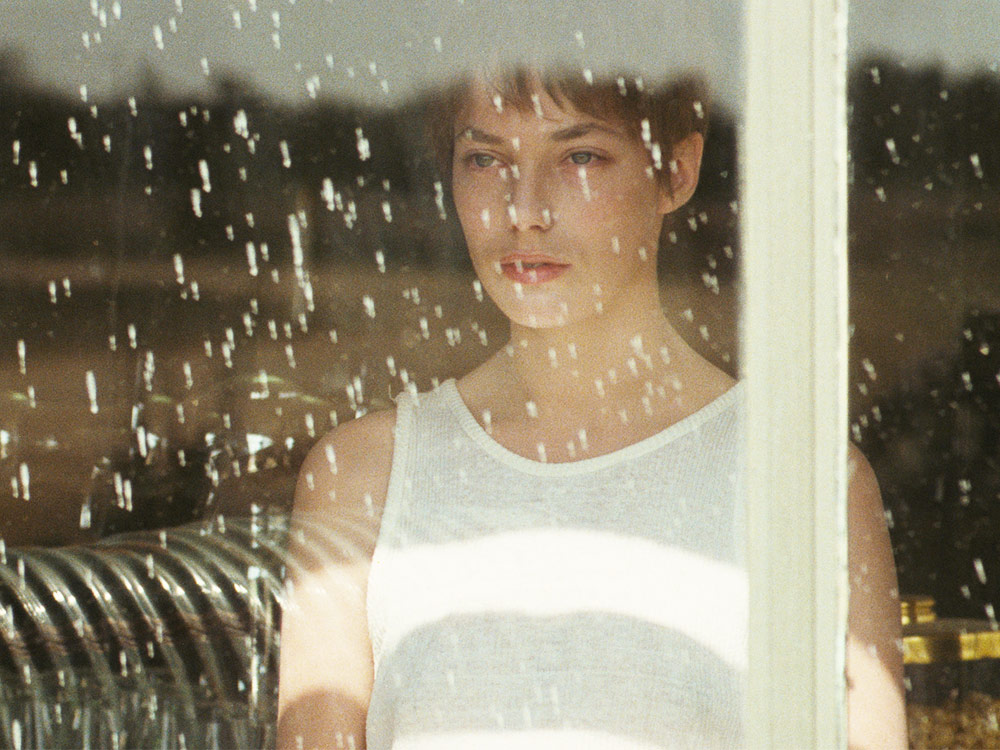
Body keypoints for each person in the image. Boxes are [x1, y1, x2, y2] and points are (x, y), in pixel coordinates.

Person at [277, 66, 905, 749]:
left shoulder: (801, 483)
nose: (523, 209)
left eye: (579, 156)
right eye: (485, 159)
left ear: (677, 172)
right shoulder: (364, 477)